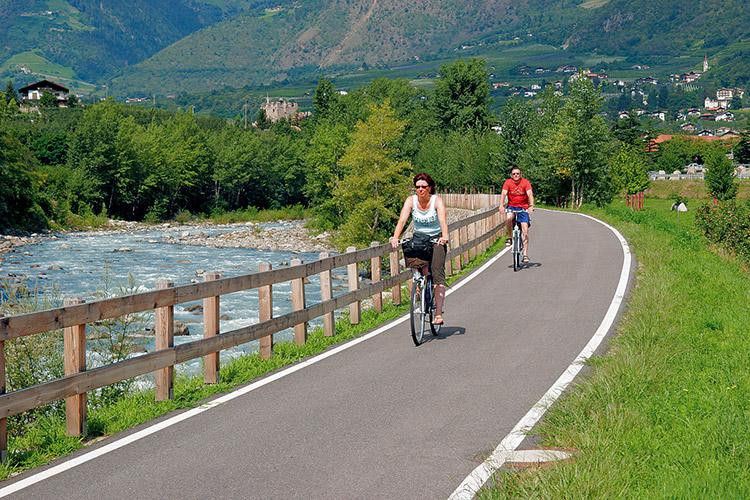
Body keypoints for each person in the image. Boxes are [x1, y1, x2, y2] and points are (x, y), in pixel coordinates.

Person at [390, 173, 450, 324]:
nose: (421, 190)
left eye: (424, 187)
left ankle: (438, 314)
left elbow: (442, 220)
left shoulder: (437, 200)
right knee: (417, 267)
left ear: (430, 188)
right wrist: (395, 237)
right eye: (418, 187)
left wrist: (445, 236)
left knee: (437, 276)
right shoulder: (411, 201)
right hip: (420, 240)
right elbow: (402, 219)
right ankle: (420, 289)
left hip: (436, 240)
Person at [500, 167, 535, 263]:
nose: (516, 175)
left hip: (523, 208)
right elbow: (503, 194)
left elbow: (530, 194)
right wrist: (501, 205)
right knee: (508, 218)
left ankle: (525, 255)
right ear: (511, 175)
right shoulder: (508, 182)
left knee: (525, 231)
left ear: (521, 174)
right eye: (514, 174)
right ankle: (510, 238)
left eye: (518, 173)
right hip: (512, 207)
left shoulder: (525, 182)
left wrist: (531, 206)